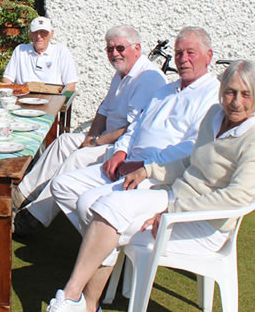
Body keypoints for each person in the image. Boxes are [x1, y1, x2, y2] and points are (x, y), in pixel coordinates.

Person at [45, 60, 255, 312]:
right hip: (175, 196)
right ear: (222, 91)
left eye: (246, 94)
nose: (236, 101)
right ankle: (76, 299)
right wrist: (148, 171)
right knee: (104, 207)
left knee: (111, 221)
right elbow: (191, 161)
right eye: (230, 91)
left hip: (206, 225)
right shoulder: (214, 115)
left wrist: (172, 211)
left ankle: (79, 301)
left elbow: (236, 198)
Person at [51, 27, 220, 232]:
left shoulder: (212, 96)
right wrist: (121, 152)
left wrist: (144, 165)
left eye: (190, 52)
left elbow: (192, 147)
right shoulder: (165, 91)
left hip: (157, 174)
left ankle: (105, 253)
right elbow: (136, 126)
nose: (183, 59)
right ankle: (108, 249)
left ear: (208, 56)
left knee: (87, 203)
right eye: (178, 53)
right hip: (126, 161)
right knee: (62, 185)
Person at [12, 25, 166, 237]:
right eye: (110, 49)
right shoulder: (122, 72)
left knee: (77, 158)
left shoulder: (148, 78)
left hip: (125, 148)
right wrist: (91, 136)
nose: (114, 53)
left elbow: (131, 129)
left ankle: (32, 218)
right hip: (106, 139)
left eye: (120, 48)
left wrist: (95, 143)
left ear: (137, 48)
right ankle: (20, 195)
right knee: (63, 142)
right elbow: (103, 110)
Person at [2, 16, 78, 91]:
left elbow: (71, 85)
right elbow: (7, 79)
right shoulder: (20, 50)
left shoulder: (61, 52)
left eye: (43, 32)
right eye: (35, 32)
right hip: (23, 99)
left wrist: (59, 102)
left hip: (52, 100)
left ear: (51, 34)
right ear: (30, 35)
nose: (39, 36)